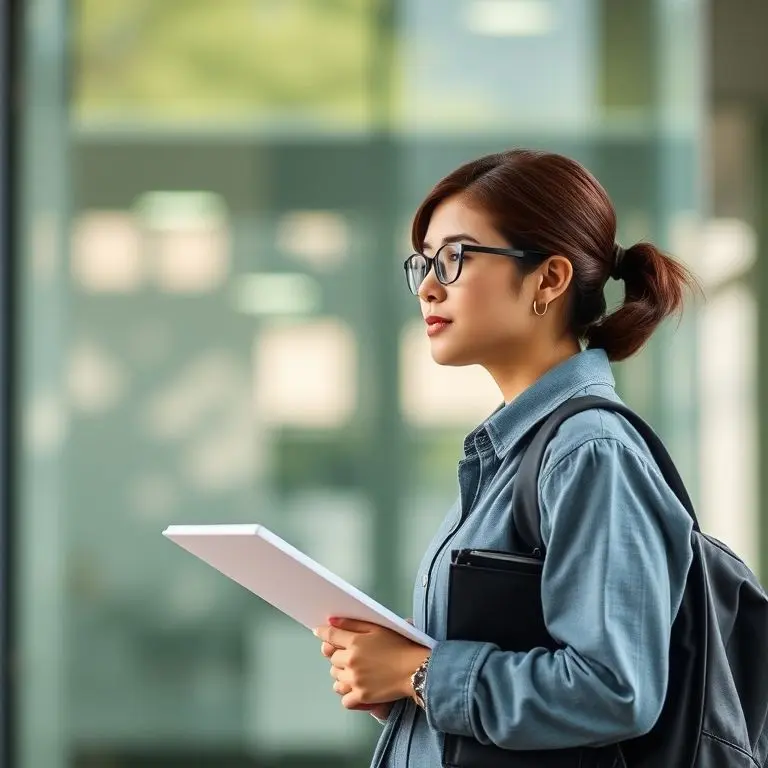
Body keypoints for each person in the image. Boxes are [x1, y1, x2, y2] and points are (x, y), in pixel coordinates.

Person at [313, 149, 697, 766]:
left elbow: (615, 690)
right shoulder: (510, 451)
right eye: (424, 263)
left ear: (548, 279)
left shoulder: (588, 451)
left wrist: (420, 674)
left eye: (456, 258)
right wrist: (397, 678)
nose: (429, 286)